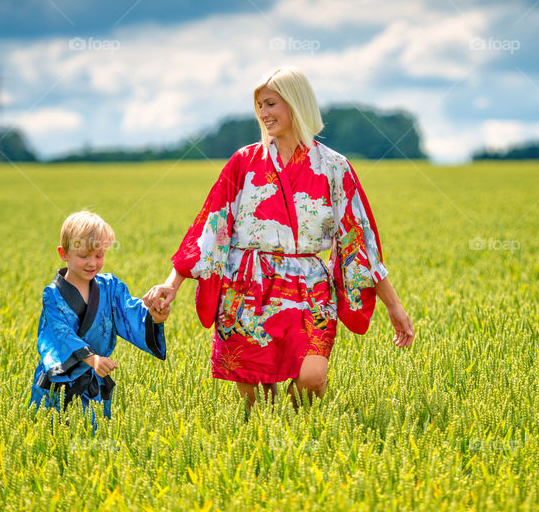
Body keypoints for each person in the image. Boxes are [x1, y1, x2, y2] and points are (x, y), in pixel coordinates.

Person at [143, 66, 414, 412]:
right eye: (259, 106)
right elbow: (213, 226)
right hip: (247, 288)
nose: (264, 113)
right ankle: (277, 446)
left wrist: (393, 305)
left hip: (310, 288)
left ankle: (297, 427)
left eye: (271, 103)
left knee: (313, 377)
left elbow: (357, 240)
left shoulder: (334, 167)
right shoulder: (244, 162)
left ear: (295, 103)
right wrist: (173, 284)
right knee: (257, 403)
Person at [29, 210, 168, 427]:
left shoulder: (110, 287)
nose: (92, 263)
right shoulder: (53, 295)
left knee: (93, 444)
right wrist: (92, 359)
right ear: (63, 253)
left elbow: (129, 312)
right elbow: (60, 335)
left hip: (93, 385)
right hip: (57, 386)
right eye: (83, 256)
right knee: (52, 441)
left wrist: (154, 317)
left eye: (99, 255)